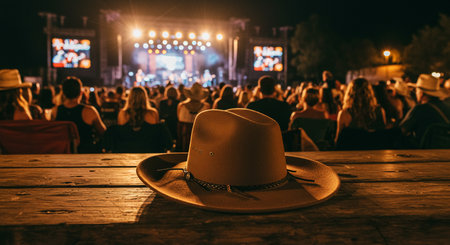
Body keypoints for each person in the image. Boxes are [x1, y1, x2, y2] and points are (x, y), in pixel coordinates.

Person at [53, 76, 106, 153]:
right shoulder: (89, 111)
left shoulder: (55, 111)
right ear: (81, 93)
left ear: (63, 93)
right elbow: (103, 132)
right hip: (86, 154)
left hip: (63, 153)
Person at [400, 74, 450, 146]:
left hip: (424, 152)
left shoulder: (419, 109)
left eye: (416, 90)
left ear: (421, 93)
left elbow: (402, 130)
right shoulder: (447, 107)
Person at [335, 77, 386, 142]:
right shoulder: (380, 111)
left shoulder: (344, 114)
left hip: (352, 150)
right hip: (375, 149)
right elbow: (383, 136)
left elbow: (338, 141)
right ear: (370, 92)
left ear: (350, 93)